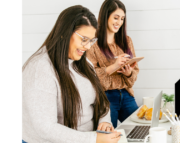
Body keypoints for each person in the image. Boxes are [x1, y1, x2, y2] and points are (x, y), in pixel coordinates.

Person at [22, 5, 121, 143]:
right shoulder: (40, 68)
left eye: (91, 41)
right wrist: (95, 139)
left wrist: (105, 122)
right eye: (84, 39)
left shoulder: (85, 64)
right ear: (65, 33)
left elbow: (102, 103)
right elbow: (45, 128)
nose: (87, 47)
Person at [86, 0, 139, 128]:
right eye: (116, 18)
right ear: (105, 16)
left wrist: (128, 73)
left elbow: (135, 72)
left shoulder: (127, 41)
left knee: (140, 130)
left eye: (122, 19)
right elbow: (88, 76)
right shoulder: (92, 44)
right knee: (109, 135)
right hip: (106, 98)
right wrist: (112, 67)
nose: (119, 22)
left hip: (126, 95)